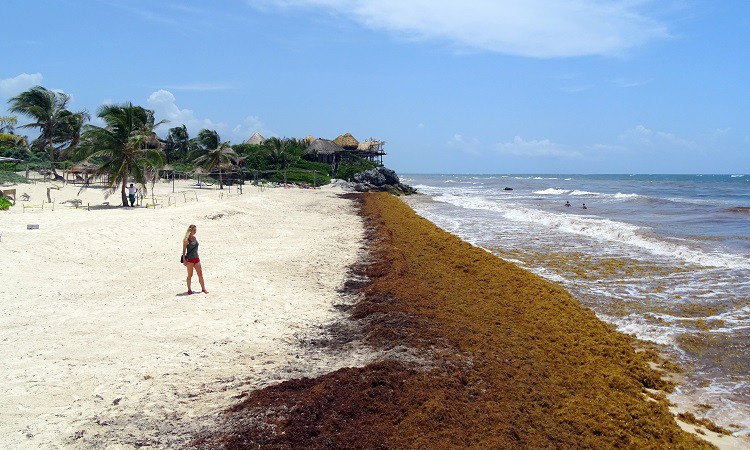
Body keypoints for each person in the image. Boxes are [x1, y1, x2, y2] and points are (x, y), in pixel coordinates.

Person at [182, 224, 208, 295]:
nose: (195, 231)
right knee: (190, 275)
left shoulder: (195, 238)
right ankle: (189, 290)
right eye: (194, 230)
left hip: (196, 258)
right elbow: (184, 251)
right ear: (190, 230)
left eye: (195, 230)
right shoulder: (186, 240)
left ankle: (203, 289)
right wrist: (184, 260)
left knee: (200, 274)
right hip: (190, 260)